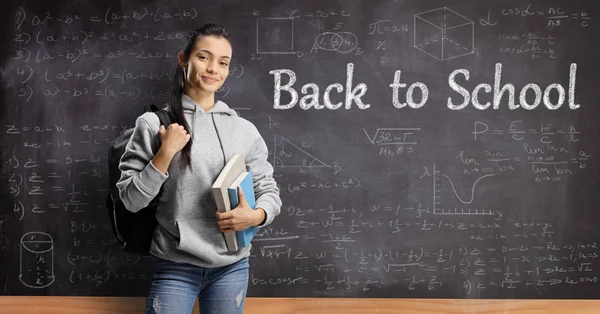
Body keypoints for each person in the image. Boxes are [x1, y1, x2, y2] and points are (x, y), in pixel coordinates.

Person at [116, 23, 281, 314]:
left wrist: (255, 216)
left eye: (223, 62)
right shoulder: (154, 124)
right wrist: (165, 153)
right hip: (174, 265)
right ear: (184, 59)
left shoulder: (244, 130)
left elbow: (268, 190)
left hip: (232, 265)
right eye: (204, 57)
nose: (213, 69)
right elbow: (130, 200)